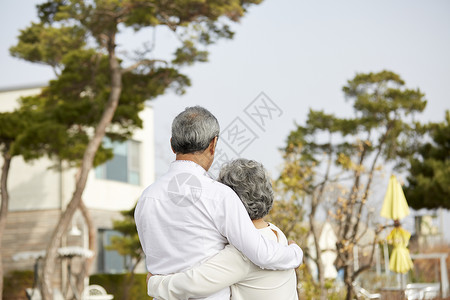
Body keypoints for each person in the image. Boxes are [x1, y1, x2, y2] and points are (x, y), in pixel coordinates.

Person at [134, 106, 302, 300]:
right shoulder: (220, 196)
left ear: (172, 145)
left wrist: (155, 284)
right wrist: (295, 253)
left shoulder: (146, 198)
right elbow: (260, 253)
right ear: (213, 144)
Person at [147, 159, 300, 300]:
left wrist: (154, 284)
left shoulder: (243, 253)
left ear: (231, 201)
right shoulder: (276, 234)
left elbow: (194, 283)